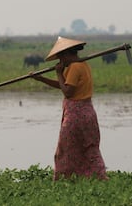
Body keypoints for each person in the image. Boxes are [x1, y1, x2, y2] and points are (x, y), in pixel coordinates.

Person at [31, 36, 108, 180]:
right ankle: (99, 177)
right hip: (88, 113)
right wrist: (41, 79)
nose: (60, 62)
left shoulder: (74, 67)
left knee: (65, 150)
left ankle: (63, 180)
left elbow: (67, 92)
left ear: (67, 54)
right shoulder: (82, 65)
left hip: (76, 116)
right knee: (89, 148)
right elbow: (64, 85)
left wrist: (59, 73)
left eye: (61, 57)